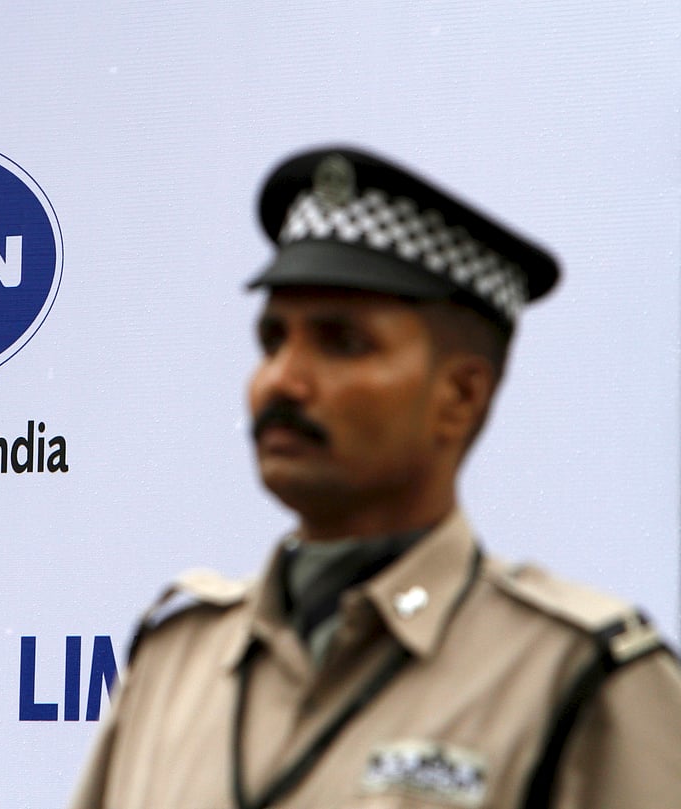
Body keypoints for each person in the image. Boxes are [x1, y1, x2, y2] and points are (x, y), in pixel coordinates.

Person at [69, 147, 681, 809]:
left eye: (341, 342)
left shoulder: (573, 676)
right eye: (272, 340)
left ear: (460, 395)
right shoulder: (173, 663)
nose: (281, 380)